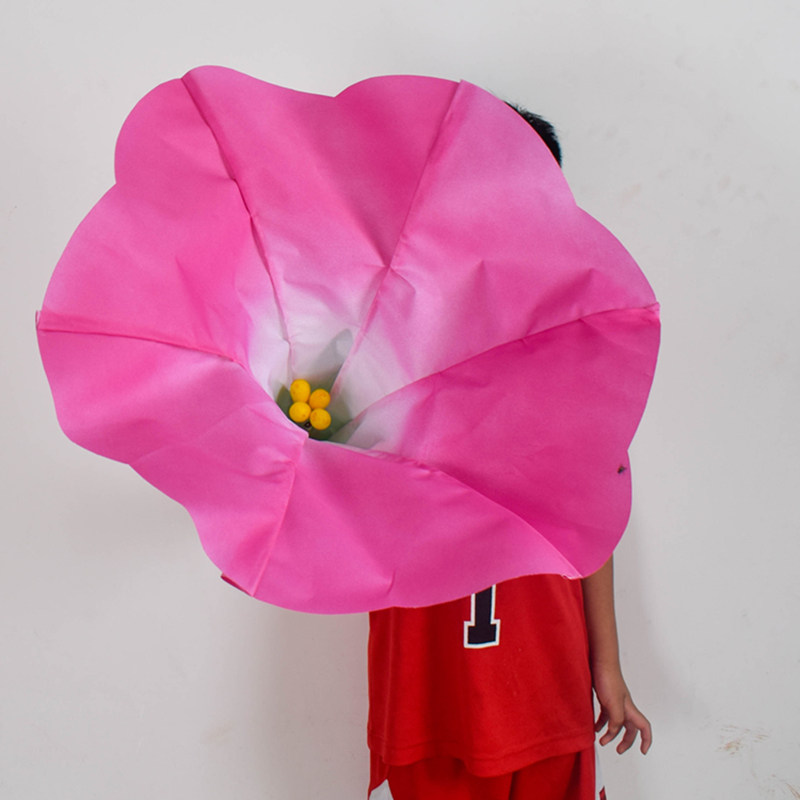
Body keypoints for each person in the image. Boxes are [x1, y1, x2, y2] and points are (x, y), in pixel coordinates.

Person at [366, 108, 652, 800]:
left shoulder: (575, 347)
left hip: (541, 673)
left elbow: (593, 517)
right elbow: (344, 509)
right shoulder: (378, 334)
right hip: (427, 684)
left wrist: (607, 666)